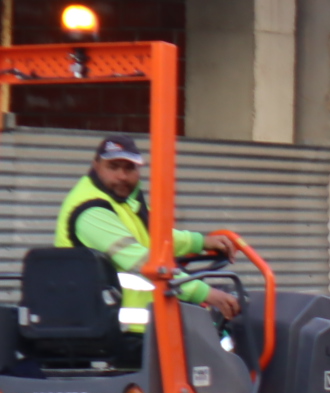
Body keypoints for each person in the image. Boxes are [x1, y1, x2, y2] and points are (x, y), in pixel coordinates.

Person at [56, 136, 238, 324]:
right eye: (113, 167)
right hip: (111, 329)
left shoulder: (124, 201)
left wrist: (201, 242)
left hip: (133, 325)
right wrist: (205, 293)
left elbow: (156, 236)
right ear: (96, 166)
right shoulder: (91, 210)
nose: (122, 176)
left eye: (129, 168)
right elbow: (141, 260)